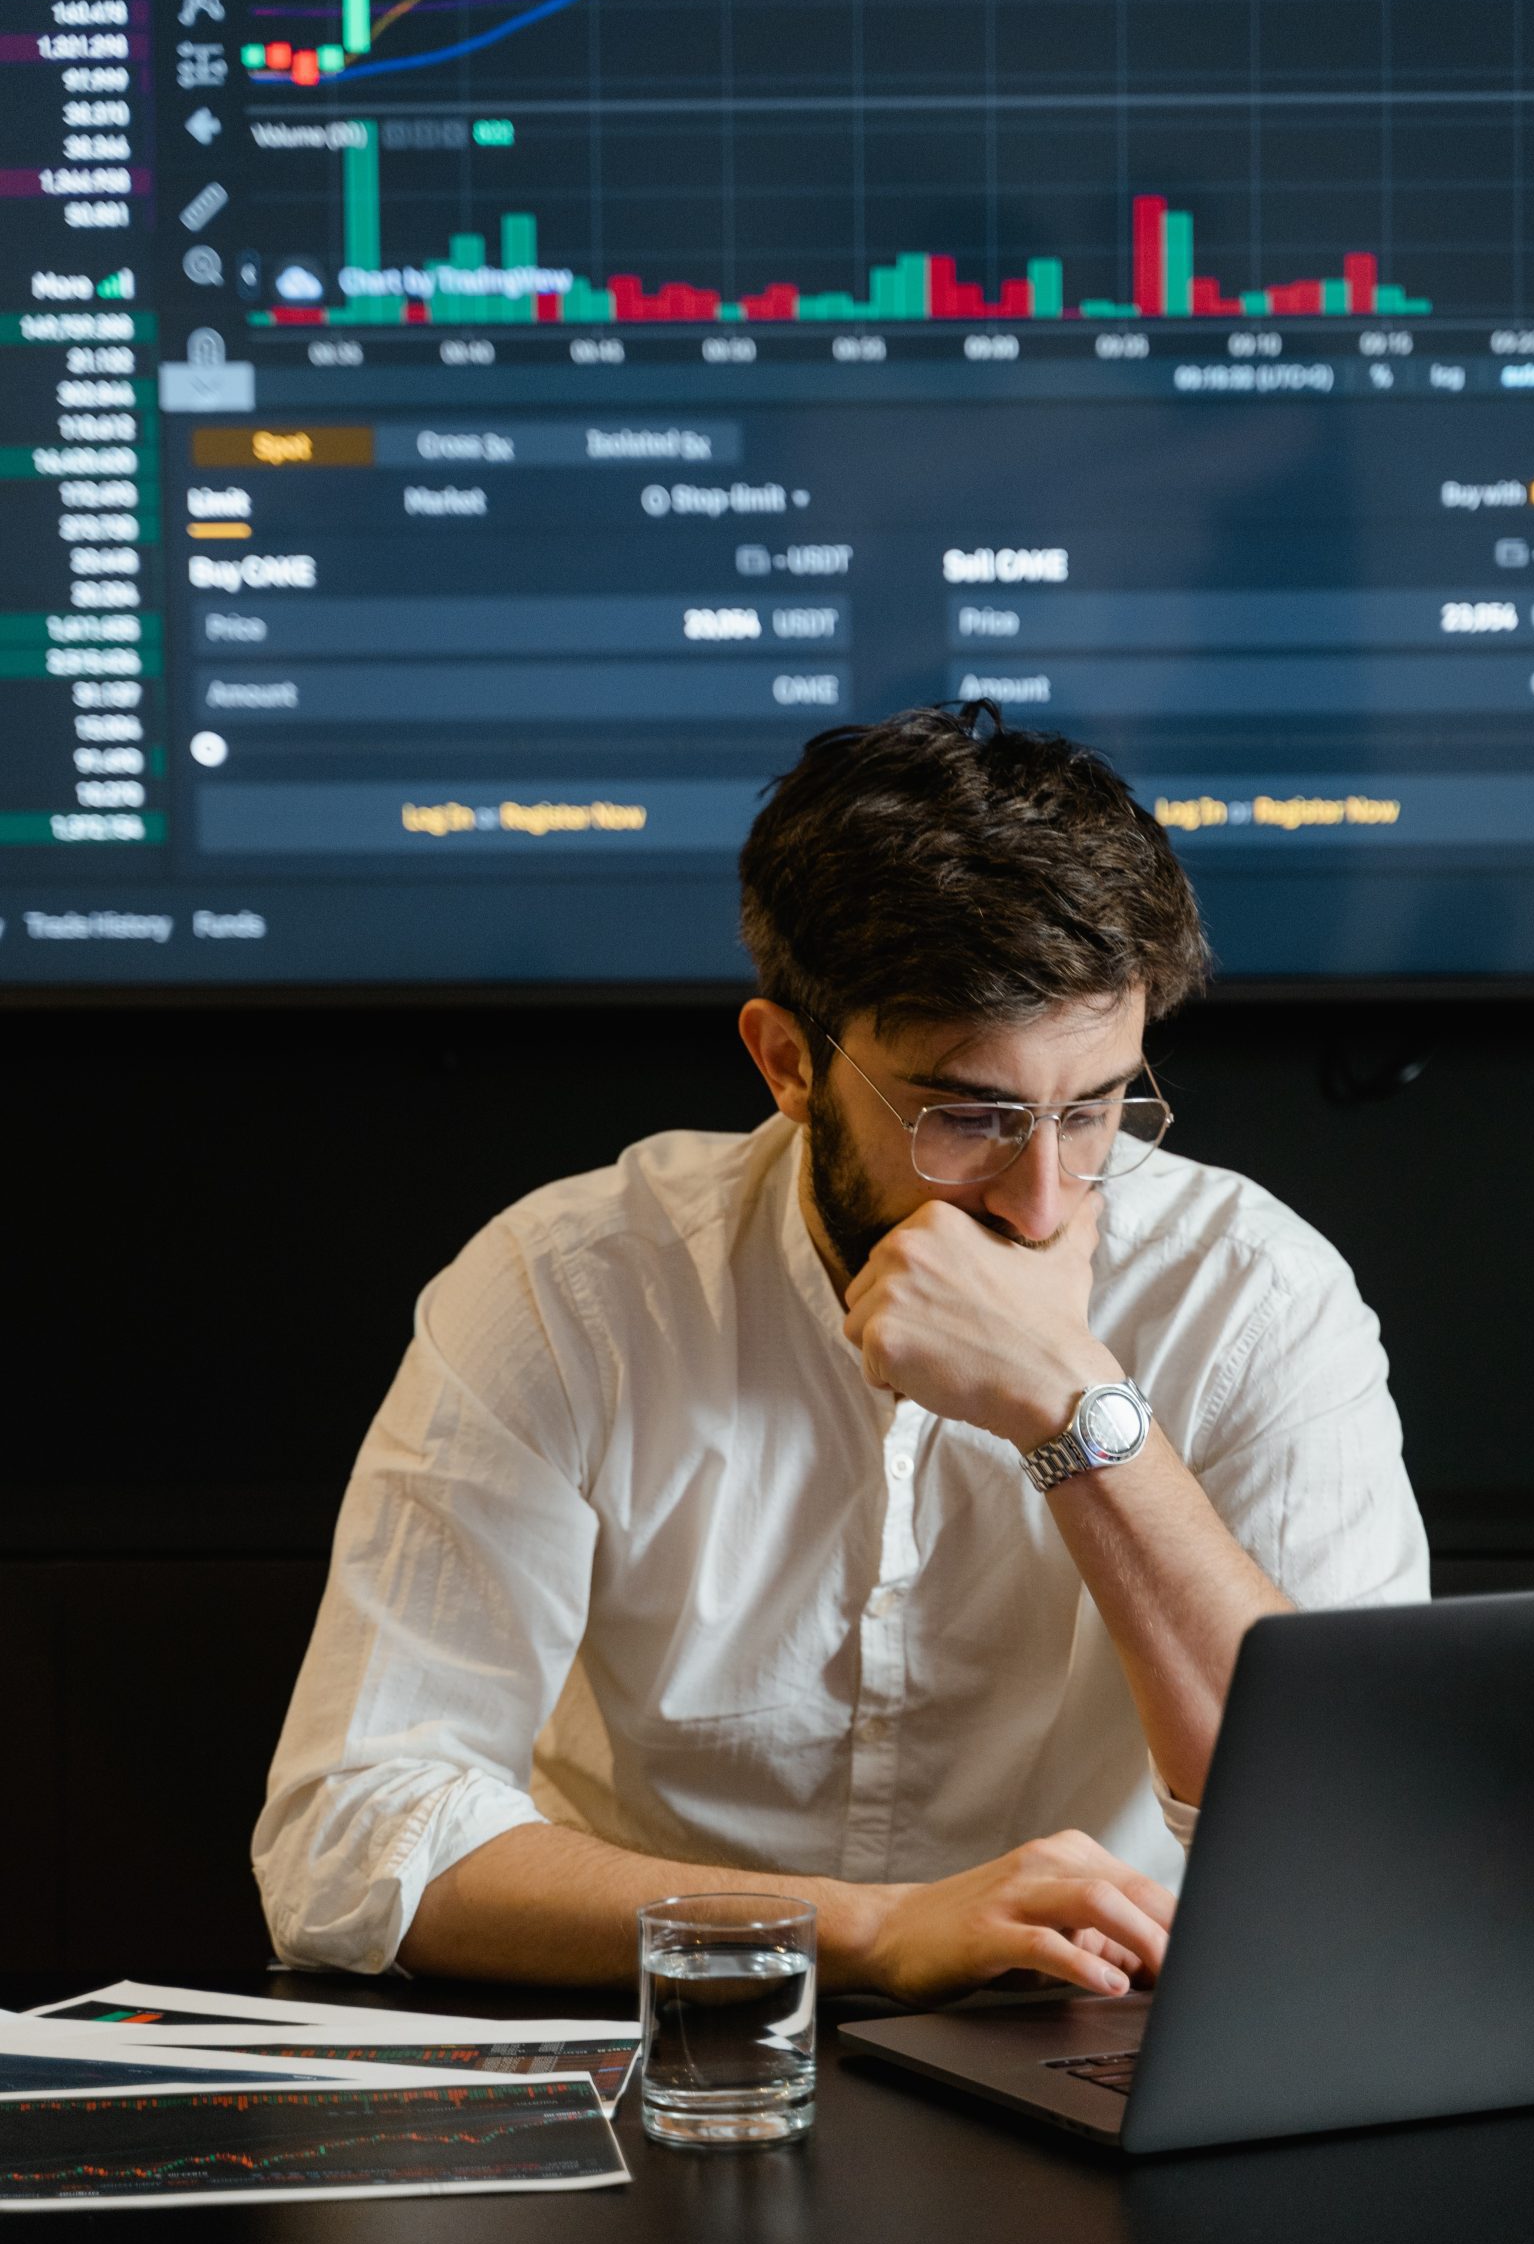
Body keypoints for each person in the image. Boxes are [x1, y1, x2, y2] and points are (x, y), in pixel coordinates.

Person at [254, 706, 1427, 2001]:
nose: (1044, 1200)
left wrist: (1073, 1409)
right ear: (788, 1063)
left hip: (1110, 2042)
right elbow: (351, 1836)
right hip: (683, 2041)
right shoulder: (568, 1290)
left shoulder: (1257, 1291)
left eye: (1094, 1110)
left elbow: (1356, 1838)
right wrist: (865, 1929)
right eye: (969, 1115)